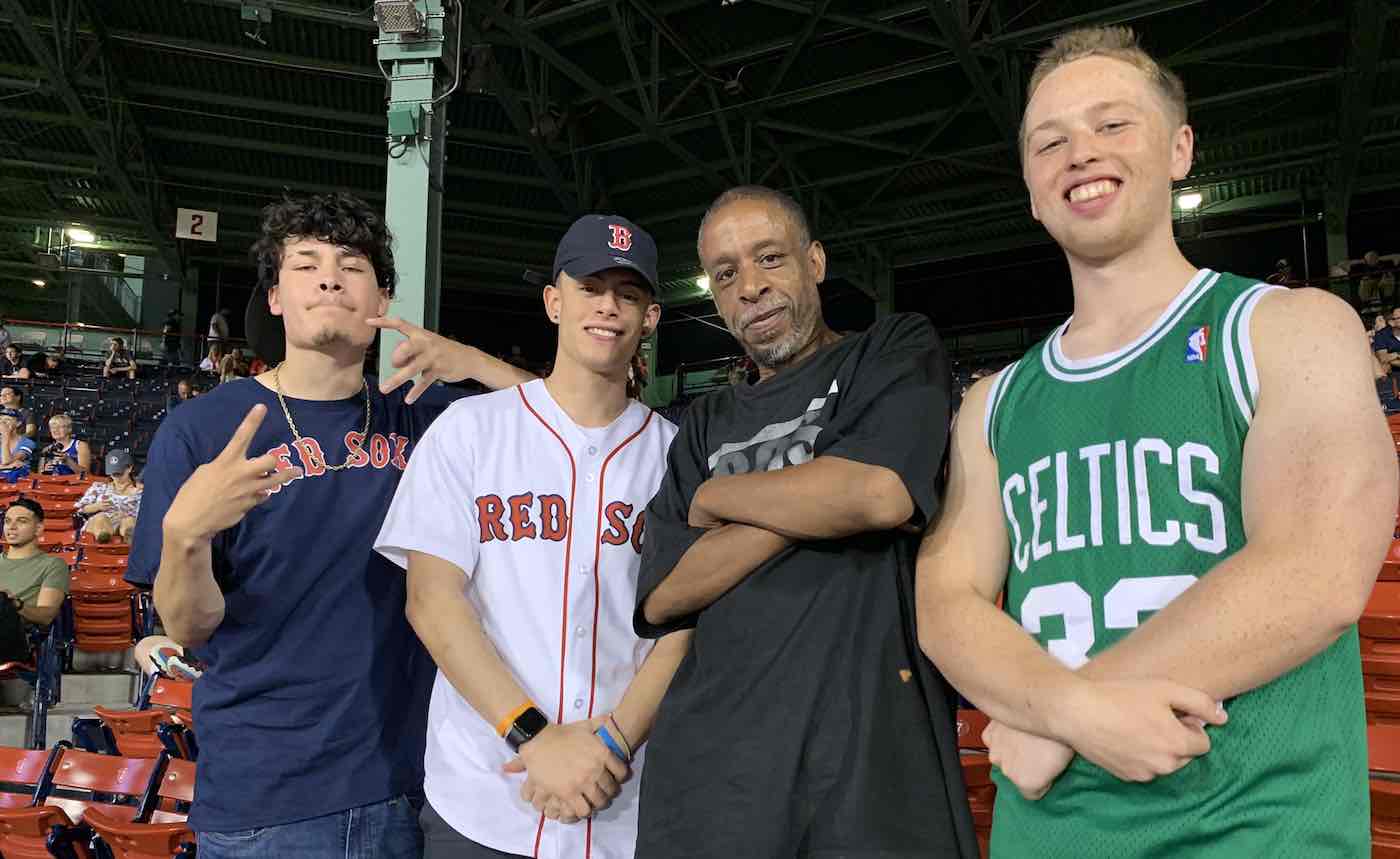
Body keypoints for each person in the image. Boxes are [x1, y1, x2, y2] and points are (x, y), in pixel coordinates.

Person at [914, 26, 1393, 858]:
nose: (1080, 152)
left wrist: (1057, 719)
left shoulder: (1290, 328)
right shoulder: (992, 403)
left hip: (1256, 832)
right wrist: (1069, 712)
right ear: (1030, 190)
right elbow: (944, 603)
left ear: (1179, 148)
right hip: (1048, 837)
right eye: (1049, 142)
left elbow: (1316, 571)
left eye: (1112, 124)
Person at [126, 190, 534, 858]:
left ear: (382, 298)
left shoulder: (431, 418)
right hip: (271, 799)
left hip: (429, 784)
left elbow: (568, 427)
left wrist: (478, 364)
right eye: (306, 264)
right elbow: (188, 626)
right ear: (276, 297)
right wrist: (185, 536)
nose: (329, 278)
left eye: (351, 265)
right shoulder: (201, 429)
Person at [632, 186, 974, 859]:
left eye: (770, 258)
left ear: (814, 262)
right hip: (713, 783)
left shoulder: (889, 349)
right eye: (725, 274)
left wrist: (722, 497)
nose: (750, 287)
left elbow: (877, 494)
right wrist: (818, 499)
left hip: (870, 771)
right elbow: (665, 590)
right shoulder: (705, 421)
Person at [375, 215, 690, 859]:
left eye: (628, 294)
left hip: (625, 800)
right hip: (484, 798)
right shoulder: (469, 429)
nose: (607, 306)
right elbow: (432, 602)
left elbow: (686, 625)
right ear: (553, 301)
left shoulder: (679, 456)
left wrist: (612, 745)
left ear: (650, 318)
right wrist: (535, 738)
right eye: (589, 287)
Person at [0, 499, 68, 628]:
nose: (12, 527)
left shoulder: (53, 565)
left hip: (14, 632)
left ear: (38, 529)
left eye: (21, 521)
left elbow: (46, 616)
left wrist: (14, 603)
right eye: (7, 521)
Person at [75, 449, 142, 543]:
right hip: (100, 521)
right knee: (100, 518)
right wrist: (97, 506)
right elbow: (80, 508)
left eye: (119, 473)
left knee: (129, 521)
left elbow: (146, 515)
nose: (117, 477)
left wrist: (124, 514)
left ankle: (129, 539)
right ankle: (103, 537)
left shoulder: (140, 492)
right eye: (113, 474)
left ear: (129, 468)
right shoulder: (99, 487)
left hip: (124, 523)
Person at [0, 409, 36, 483]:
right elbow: (10, 465)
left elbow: (6, 461)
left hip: (19, 484)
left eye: (7, 419)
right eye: (0, 419)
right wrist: (7, 467)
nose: (2, 422)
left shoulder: (27, 442)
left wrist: (5, 436)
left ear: (18, 423)